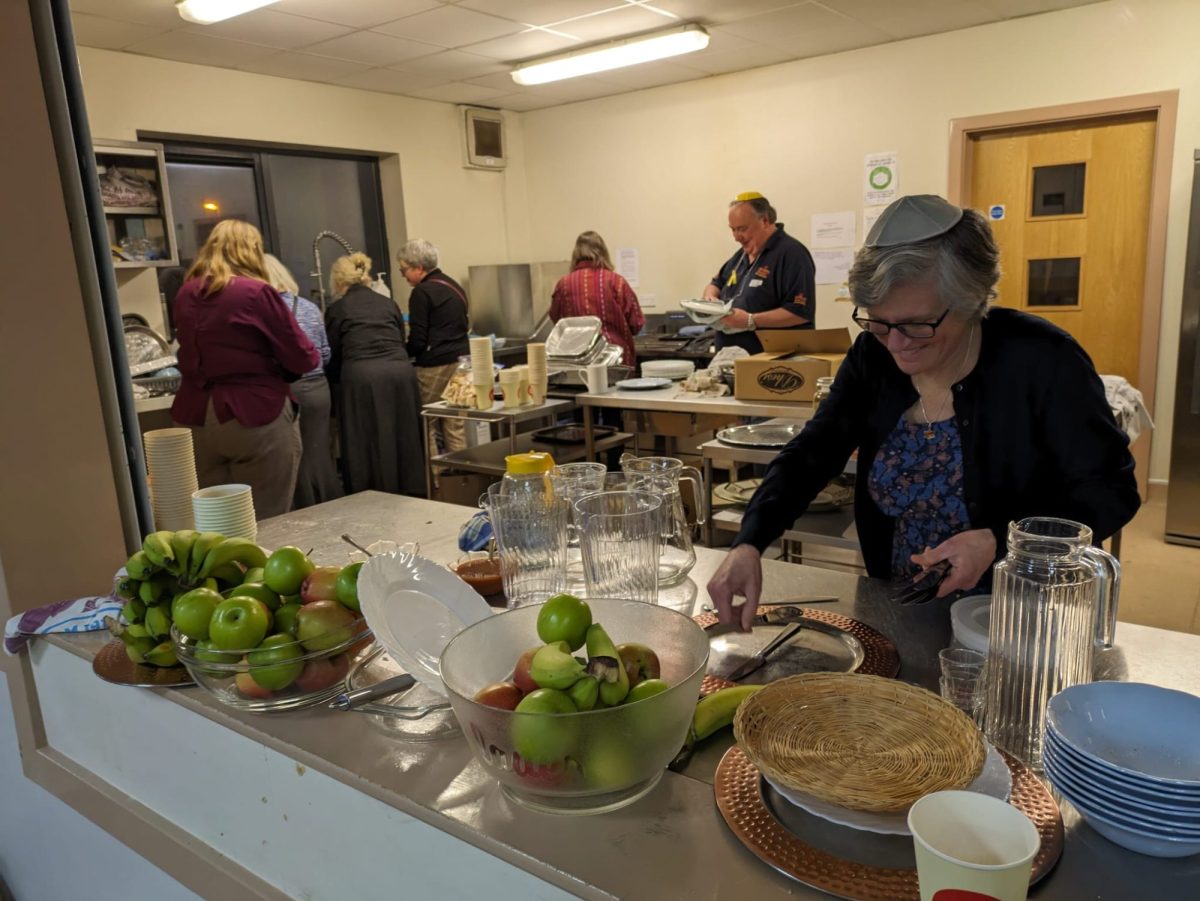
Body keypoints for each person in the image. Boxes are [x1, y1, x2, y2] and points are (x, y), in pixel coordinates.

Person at [707, 194, 1139, 631]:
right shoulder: (872, 358)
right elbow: (814, 451)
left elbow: (1111, 489)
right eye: (877, 322)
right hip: (901, 606)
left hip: (1022, 616)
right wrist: (749, 542)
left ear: (972, 300)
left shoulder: (1044, 359)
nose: (896, 344)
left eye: (917, 325)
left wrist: (1001, 541)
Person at [170, 221, 319, 518]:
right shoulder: (255, 292)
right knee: (266, 516)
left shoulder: (186, 293)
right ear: (252, 251)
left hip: (197, 417)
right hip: (253, 415)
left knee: (217, 519)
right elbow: (303, 357)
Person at [324, 252, 425, 497]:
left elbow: (332, 353)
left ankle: (370, 495)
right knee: (404, 437)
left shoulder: (338, 309)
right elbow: (400, 339)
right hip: (400, 374)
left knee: (365, 442)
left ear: (339, 282)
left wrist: (336, 382)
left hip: (362, 376)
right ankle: (412, 491)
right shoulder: (388, 303)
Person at [263, 254, 342, 510]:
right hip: (319, 388)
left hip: (289, 389)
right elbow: (325, 351)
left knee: (293, 454)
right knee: (320, 452)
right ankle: (329, 502)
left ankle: (303, 507)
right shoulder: (308, 307)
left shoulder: (264, 311)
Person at [702, 191, 816, 354]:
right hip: (732, 361)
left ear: (764, 220)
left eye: (742, 229)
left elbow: (799, 312)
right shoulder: (741, 255)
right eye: (733, 230)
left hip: (772, 364)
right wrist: (710, 299)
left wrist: (750, 321)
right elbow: (715, 283)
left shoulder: (792, 253)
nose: (736, 237)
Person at [398, 238, 470, 459]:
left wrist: (402, 352)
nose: (403, 276)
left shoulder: (422, 292)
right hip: (461, 362)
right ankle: (462, 477)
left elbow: (419, 339)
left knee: (428, 422)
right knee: (455, 422)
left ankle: (435, 478)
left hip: (434, 365)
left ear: (419, 267)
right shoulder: (454, 285)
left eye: (404, 270)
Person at [550, 230, 644, 367]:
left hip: (576, 365)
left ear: (576, 254)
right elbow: (636, 323)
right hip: (615, 361)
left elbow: (557, 321)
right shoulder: (616, 282)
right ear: (603, 252)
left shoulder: (563, 284)